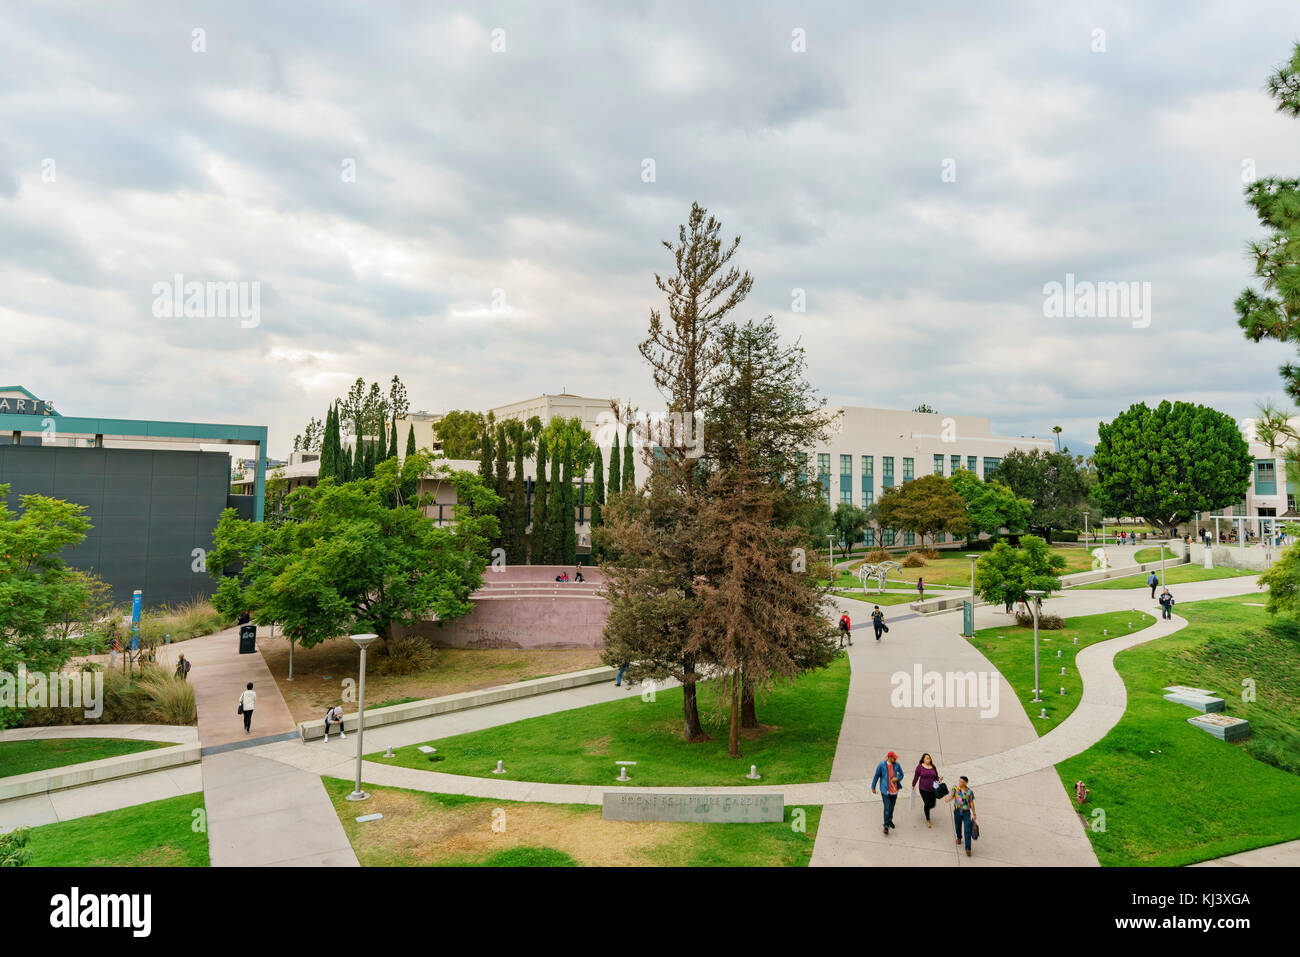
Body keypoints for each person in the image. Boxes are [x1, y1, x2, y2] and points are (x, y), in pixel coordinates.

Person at [870, 750, 904, 836]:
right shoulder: (881, 765)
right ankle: (886, 826)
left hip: (895, 790)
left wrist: (897, 779)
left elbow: (902, 775)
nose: (895, 759)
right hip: (885, 790)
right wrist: (873, 787)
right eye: (894, 758)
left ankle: (890, 820)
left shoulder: (897, 765)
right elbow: (876, 776)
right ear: (889, 757)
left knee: (891, 808)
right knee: (887, 808)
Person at [945, 775, 977, 856]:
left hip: (966, 813)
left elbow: (971, 803)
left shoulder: (970, 792)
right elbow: (951, 796)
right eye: (959, 781)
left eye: (961, 782)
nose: (959, 783)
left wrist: (974, 813)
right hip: (957, 811)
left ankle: (968, 848)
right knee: (958, 826)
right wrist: (947, 799)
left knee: (967, 830)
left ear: (966, 783)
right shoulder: (955, 788)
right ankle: (959, 837)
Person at [912, 753, 943, 828]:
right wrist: (913, 784)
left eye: (929, 758)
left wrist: (939, 779)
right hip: (923, 788)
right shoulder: (920, 767)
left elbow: (936, 777)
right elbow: (916, 776)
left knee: (932, 804)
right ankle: (928, 819)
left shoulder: (933, 767)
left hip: (932, 789)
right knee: (927, 803)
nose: (928, 759)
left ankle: (926, 809)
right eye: (926, 758)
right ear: (923, 759)